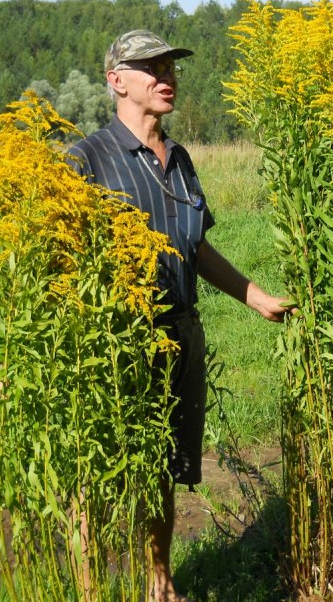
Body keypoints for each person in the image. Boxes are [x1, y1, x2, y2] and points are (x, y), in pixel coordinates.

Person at [67, 29, 291, 602]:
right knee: (104, 472)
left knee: (162, 467)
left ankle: (158, 585)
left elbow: (197, 247)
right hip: (118, 343)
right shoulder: (86, 158)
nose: (166, 76)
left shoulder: (181, 159)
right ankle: (91, 590)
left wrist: (256, 296)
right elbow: (60, 260)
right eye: (151, 67)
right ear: (117, 80)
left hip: (181, 336)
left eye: (170, 66)